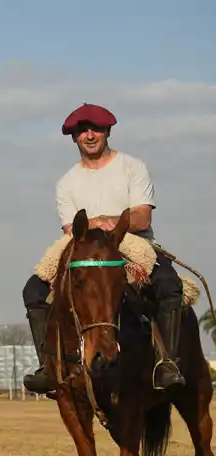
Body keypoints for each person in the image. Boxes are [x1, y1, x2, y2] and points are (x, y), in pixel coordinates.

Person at [22, 103, 185, 393]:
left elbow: (142, 216)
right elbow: (72, 229)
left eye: (95, 129)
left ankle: (167, 363)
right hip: (84, 246)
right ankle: (48, 366)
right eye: (81, 131)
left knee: (168, 283)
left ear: (107, 131)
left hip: (131, 240)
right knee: (33, 290)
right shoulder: (66, 182)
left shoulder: (133, 168)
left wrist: (108, 220)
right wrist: (92, 227)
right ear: (74, 138)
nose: (89, 135)